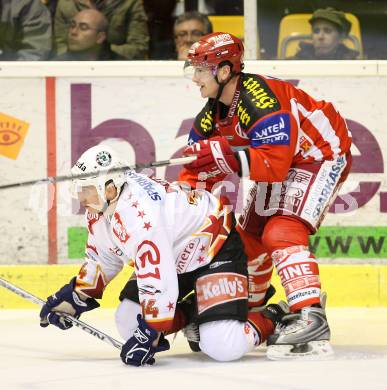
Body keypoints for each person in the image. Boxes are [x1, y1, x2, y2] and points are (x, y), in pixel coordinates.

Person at [179, 32, 352, 359]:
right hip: (283, 159)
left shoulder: (260, 99)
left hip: (319, 154)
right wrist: (186, 192)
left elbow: (273, 164)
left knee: (281, 231)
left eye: (202, 69)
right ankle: (247, 304)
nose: (195, 78)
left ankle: (310, 314)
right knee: (250, 236)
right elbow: (196, 163)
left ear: (225, 71)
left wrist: (228, 157)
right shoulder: (214, 109)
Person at [39, 144, 287, 366]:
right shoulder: (101, 206)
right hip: (174, 255)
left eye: (86, 189)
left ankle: (276, 315)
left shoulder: (141, 218)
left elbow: (158, 280)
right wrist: (75, 297)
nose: (80, 197)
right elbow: (104, 257)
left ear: (110, 189)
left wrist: (151, 331)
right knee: (127, 321)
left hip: (213, 248)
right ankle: (196, 311)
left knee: (223, 346)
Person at [54, 0, 149, 59]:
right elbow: (60, 44)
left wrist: (101, 53)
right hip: (75, 65)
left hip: (116, 66)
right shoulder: (66, 3)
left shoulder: (130, 3)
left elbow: (139, 48)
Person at [289, 7, 360, 60]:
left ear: (341, 37)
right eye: (316, 31)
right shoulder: (297, 61)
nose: (320, 37)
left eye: (327, 31)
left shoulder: (352, 65)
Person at [52, 9, 117, 60]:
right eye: (72, 26)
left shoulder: (120, 65)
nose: (73, 32)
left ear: (100, 37)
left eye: (83, 28)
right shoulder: (57, 65)